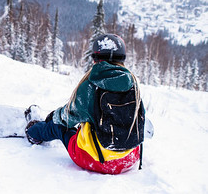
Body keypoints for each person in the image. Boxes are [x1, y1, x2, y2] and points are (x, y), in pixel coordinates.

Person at [25, 34, 144, 175]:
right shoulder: (132, 83)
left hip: (98, 160)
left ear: (95, 59)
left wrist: (52, 116)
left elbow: (67, 118)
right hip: (129, 158)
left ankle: (33, 132)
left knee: (59, 127)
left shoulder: (91, 86)